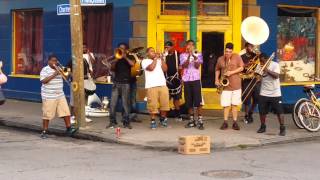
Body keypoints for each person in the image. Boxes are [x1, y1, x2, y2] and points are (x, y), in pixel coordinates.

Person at [39, 55, 77, 139]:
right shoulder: (45, 70)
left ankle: (69, 128)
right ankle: (44, 131)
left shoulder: (60, 68)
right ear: (48, 61)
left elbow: (68, 76)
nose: (54, 63)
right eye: (52, 61)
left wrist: (66, 71)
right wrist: (55, 74)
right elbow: (43, 81)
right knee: (47, 114)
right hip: (49, 95)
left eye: (56, 61)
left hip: (60, 94)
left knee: (65, 112)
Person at [215, 43, 244, 130]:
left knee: (234, 105)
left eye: (230, 52)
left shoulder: (237, 57)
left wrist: (231, 72)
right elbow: (217, 69)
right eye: (226, 52)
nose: (228, 53)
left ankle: (235, 122)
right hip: (225, 86)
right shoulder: (220, 59)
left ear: (232, 51)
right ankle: (225, 122)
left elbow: (241, 68)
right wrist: (216, 79)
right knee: (226, 105)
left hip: (236, 85)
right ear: (224, 50)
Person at [256, 53, 286, 136]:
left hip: (275, 92)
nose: (261, 63)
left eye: (262, 61)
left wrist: (267, 70)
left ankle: (282, 128)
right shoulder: (259, 65)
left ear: (266, 59)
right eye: (260, 61)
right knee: (262, 111)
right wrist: (257, 77)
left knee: (279, 111)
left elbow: (276, 76)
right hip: (264, 91)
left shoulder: (275, 65)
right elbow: (258, 78)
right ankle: (263, 126)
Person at [106, 43, 134, 129]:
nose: (121, 50)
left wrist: (125, 57)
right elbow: (112, 68)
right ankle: (112, 122)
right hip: (116, 83)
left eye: (123, 48)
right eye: (120, 48)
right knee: (113, 104)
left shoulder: (130, 57)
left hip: (126, 83)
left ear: (126, 49)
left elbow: (132, 64)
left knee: (125, 105)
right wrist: (117, 59)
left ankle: (126, 122)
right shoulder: (116, 57)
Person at [141, 47, 170, 129]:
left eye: (154, 51)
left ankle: (163, 119)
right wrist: (156, 59)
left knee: (164, 104)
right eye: (152, 51)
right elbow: (151, 68)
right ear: (147, 53)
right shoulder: (144, 61)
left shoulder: (159, 60)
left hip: (162, 84)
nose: (154, 52)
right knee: (152, 105)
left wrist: (162, 59)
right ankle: (153, 121)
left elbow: (165, 69)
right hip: (151, 86)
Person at [180, 40, 204, 130]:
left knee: (198, 102)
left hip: (196, 80)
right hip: (187, 80)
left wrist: (194, 56)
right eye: (188, 45)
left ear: (193, 46)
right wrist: (188, 56)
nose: (189, 47)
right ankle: (191, 120)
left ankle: (200, 120)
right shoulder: (182, 55)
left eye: (191, 45)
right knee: (189, 102)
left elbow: (197, 66)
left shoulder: (199, 54)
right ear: (186, 46)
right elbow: (184, 66)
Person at [241, 42, 259, 123]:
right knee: (247, 98)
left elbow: (261, 63)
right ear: (246, 47)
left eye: (252, 46)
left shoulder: (256, 56)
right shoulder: (242, 56)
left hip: (255, 79)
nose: (252, 47)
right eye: (250, 46)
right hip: (246, 79)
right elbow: (240, 67)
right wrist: (248, 65)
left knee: (257, 98)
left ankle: (251, 112)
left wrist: (259, 55)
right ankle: (246, 115)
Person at [164, 41, 182, 121]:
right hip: (166, 79)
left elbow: (181, 66)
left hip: (177, 79)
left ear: (172, 47)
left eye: (168, 47)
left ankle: (178, 114)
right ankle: (165, 115)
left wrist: (182, 78)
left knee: (176, 99)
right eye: (165, 47)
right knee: (166, 98)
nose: (166, 49)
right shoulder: (164, 55)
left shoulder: (177, 54)